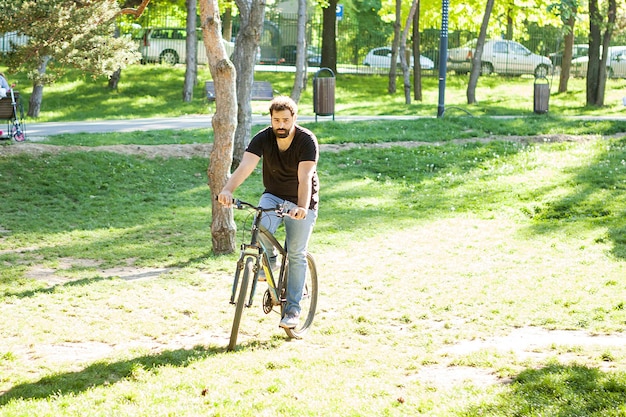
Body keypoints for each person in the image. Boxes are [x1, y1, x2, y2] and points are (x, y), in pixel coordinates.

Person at [217, 95, 319, 329]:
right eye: (276, 120)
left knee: (295, 253)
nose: (280, 125)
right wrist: (227, 190)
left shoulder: (306, 141)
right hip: (273, 194)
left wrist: (302, 208)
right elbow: (246, 166)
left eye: (285, 120)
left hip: (301, 200)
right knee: (259, 224)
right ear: (271, 120)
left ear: (294, 117)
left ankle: (292, 310)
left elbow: (304, 178)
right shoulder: (263, 138)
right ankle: (270, 261)